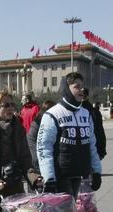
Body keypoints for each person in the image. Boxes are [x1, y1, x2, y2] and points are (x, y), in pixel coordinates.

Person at [36, 72, 103, 200]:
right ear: (66, 89)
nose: (82, 90)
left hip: (78, 173)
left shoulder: (86, 114)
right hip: (60, 175)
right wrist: (49, 177)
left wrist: (97, 171)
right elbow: (44, 148)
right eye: (77, 86)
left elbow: (91, 144)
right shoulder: (52, 114)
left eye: (82, 86)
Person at [27, 100, 55, 170]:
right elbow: (31, 139)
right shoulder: (38, 122)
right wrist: (38, 157)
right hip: (40, 160)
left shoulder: (51, 121)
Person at [82, 89, 107, 160]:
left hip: (80, 151)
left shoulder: (76, 111)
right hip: (94, 149)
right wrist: (102, 150)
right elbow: (100, 132)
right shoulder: (95, 112)